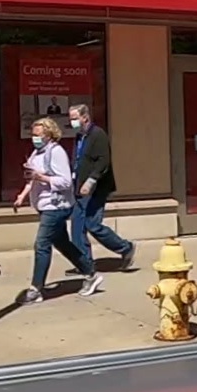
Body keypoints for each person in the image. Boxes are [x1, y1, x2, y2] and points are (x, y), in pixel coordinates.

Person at [21, 120, 97, 293]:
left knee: (42, 244)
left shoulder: (56, 152)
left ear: (49, 135)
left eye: (38, 135)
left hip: (56, 206)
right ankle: (90, 272)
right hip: (44, 205)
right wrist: (23, 194)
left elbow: (65, 181)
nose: (34, 138)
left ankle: (36, 288)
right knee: (62, 243)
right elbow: (33, 177)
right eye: (33, 134)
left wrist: (42, 177)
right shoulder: (36, 153)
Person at [62, 100, 126, 271]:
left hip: (96, 188)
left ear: (85, 117)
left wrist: (91, 180)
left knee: (92, 224)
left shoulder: (98, 135)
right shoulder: (79, 137)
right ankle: (84, 263)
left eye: (75, 118)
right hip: (79, 187)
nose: (72, 122)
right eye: (71, 118)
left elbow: (103, 161)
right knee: (77, 226)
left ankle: (125, 247)